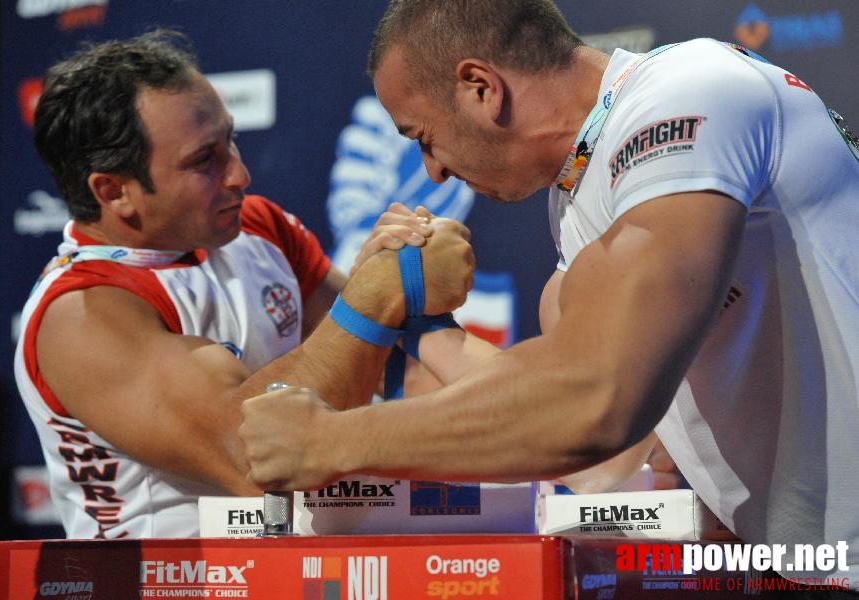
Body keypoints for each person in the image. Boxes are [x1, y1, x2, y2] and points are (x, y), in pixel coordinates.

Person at [238, 0, 859, 588]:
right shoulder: (582, 195)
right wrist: (421, 318)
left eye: (422, 136)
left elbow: (595, 402)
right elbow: (586, 443)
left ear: (481, 87)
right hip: (807, 568)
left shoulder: (688, 94)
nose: (431, 171)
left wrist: (330, 442)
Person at [15, 29, 474, 539]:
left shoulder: (257, 228)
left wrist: (397, 290)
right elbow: (259, 461)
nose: (240, 173)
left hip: (297, 572)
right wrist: (378, 292)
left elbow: (390, 370)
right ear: (114, 190)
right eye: (203, 160)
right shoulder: (82, 314)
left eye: (230, 140)